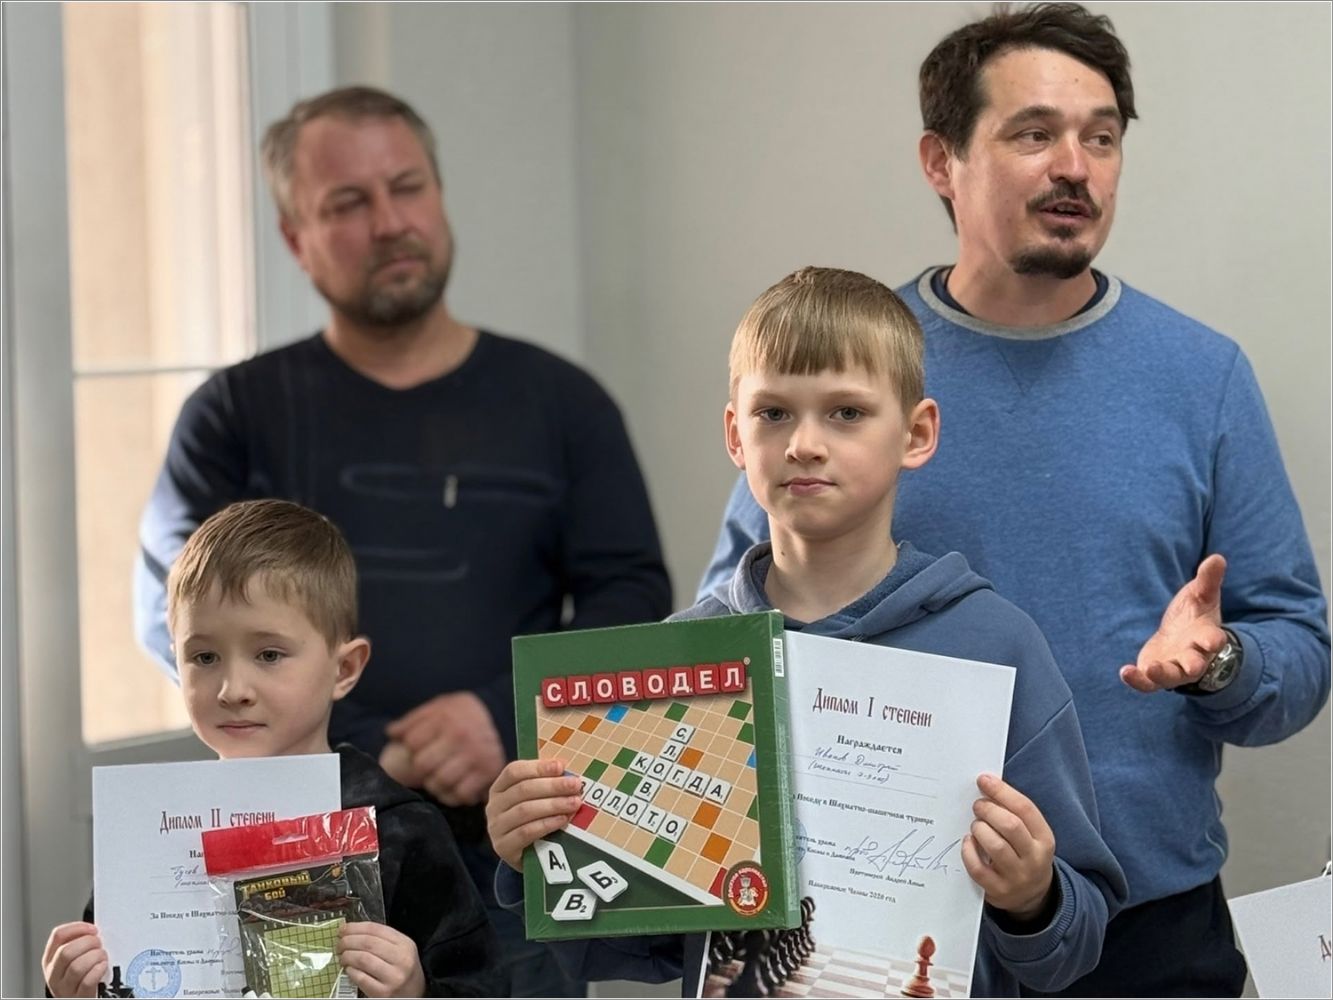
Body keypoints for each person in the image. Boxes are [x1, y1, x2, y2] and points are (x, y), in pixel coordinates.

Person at [698, 5, 1331, 996]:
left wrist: (1220, 664)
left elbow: (1298, 654)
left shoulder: (1200, 375)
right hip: (885, 935)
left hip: (1149, 933)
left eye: (1101, 137)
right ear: (940, 161)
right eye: (1033, 134)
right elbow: (730, 643)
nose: (1074, 167)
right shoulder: (852, 375)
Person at [133, 85, 672, 994]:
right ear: (296, 239)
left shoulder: (561, 403)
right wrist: (356, 752)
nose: (389, 222)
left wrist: (500, 715)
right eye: (348, 202)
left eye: (407, 187)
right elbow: (170, 611)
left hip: (518, 850)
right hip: (290, 850)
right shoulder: (233, 414)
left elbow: (631, 600)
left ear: (439, 196)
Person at [485, 267, 1129, 997]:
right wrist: (538, 850)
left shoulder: (996, 646)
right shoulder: (680, 663)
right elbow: (635, 947)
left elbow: (1075, 943)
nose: (805, 443)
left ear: (916, 432)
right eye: (773, 413)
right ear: (736, 434)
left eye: (847, 412)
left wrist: (1033, 895)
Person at [45, 499, 497, 998]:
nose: (232, 689)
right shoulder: (149, 834)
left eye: (269, 654)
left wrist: (414, 990)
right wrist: (73, 991)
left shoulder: (401, 829)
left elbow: (482, 986)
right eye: (204, 657)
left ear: (344, 669)